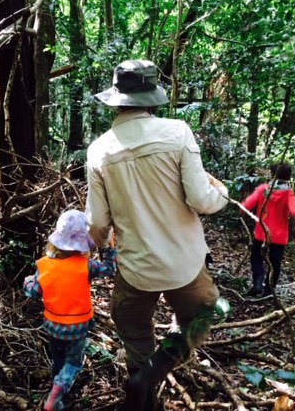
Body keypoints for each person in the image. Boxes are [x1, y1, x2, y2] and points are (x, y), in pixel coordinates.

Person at [85, 59, 229, 411]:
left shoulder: (98, 150)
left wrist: (104, 246)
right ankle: (157, 368)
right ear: (152, 98)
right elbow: (201, 198)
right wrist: (222, 194)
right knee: (211, 312)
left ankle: (142, 384)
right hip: (186, 265)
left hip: (136, 269)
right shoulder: (178, 132)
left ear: (116, 100)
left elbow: (98, 222)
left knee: (134, 333)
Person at [23, 209, 117, 411]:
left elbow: (32, 292)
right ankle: (57, 392)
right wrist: (110, 246)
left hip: (52, 326)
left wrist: (27, 281)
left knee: (58, 358)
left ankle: (55, 389)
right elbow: (110, 269)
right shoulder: (87, 266)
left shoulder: (44, 266)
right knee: (73, 363)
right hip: (78, 328)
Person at [240, 162, 295, 297]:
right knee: (275, 263)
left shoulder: (263, 189)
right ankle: (269, 291)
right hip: (279, 236)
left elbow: (246, 205)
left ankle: (258, 282)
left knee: (256, 258)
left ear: (272, 174)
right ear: (289, 177)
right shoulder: (289, 193)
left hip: (261, 233)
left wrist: (242, 211)